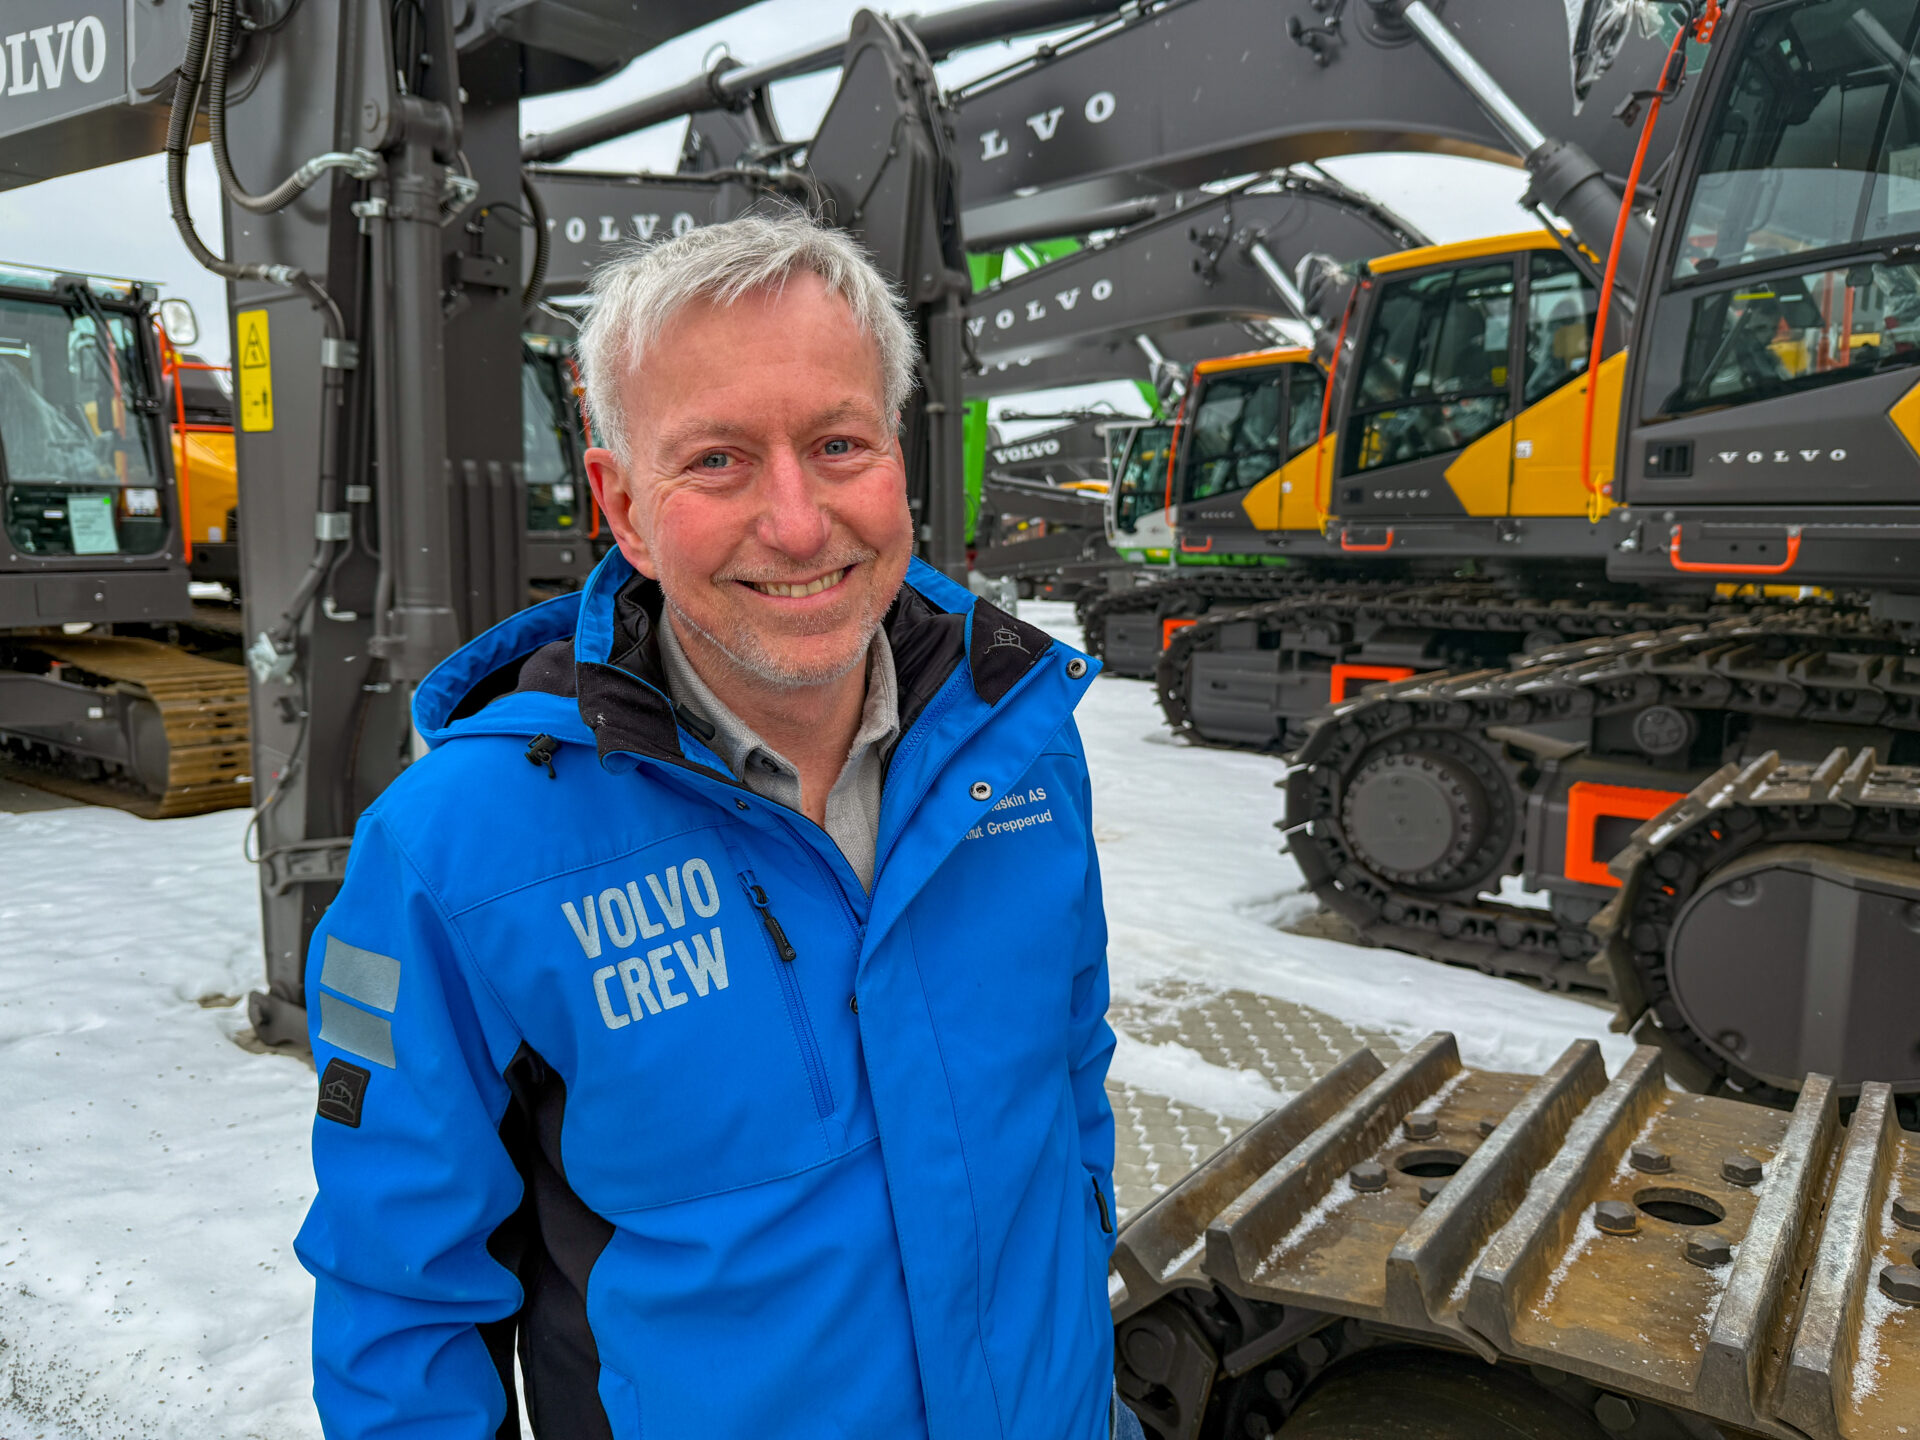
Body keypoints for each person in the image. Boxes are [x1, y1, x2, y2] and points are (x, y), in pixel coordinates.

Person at [295, 210, 1142, 1440]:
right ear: (623, 505)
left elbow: (1068, 1090)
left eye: (839, 444)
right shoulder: (458, 852)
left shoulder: (1016, 750)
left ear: (899, 458)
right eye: (719, 462)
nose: (798, 523)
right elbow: (398, 1296)